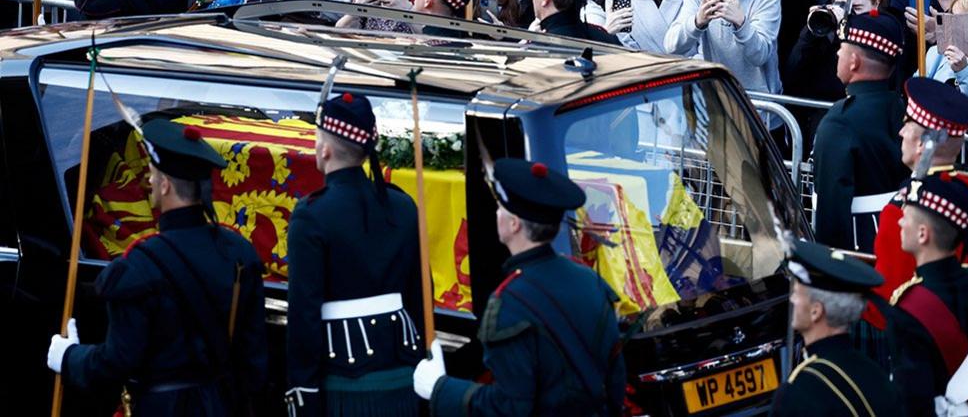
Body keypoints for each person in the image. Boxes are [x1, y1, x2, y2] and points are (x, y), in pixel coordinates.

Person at [46, 117, 267, 415]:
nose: (149, 181)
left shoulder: (139, 266)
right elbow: (253, 362)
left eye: (152, 174)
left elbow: (116, 363)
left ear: (164, 185)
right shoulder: (241, 253)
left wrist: (69, 357)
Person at [413, 158, 626, 414]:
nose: (496, 213)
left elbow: (510, 407)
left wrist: (440, 388)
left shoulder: (509, 302)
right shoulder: (591, 281)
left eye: (500, 208)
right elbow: (615, 383)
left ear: (513, 224)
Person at [285, 91, 423, 417]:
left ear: (325, 149)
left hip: (345, 382)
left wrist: (301, 391)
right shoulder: (402, 205)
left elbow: (304, 314)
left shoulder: (311, 215)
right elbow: (418, 293)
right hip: (404, 368)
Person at [872, 78, 968, 319]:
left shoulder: (905, 209)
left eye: (906, 124)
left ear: (922, 143)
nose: (900, 132)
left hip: (925, 337)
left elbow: (885, 304)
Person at [889, 174, 968, 416]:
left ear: (922, 234)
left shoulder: (908, 310)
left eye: (905, 217)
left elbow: (913, 403)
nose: (899, 223)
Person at [810, 10, 907, 252]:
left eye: (842, 48)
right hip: (898, 237)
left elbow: (831, 213)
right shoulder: (900, 107)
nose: (837, 53)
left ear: (854, 61)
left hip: (858, 243)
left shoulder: (840, 123)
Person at [769, 239, 900, 416]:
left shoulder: (798, 393)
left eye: (797, 294)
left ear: (816, 311)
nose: (791, 299)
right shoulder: (876, 375)